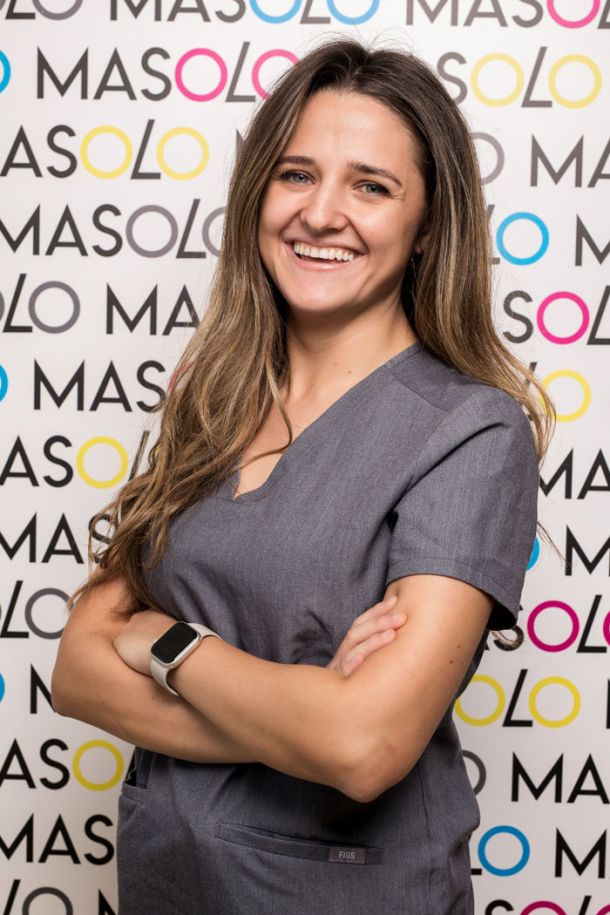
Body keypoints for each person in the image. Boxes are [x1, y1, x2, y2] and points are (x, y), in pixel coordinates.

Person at [52, 37, 556, 914]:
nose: (321, 214)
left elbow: (364, 746)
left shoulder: (471, 431)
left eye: (371, 186)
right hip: (169, 886)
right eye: (296, 175)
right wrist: (306, 712)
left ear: (428, 225)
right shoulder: (211, 400)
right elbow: (78, 669)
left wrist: (168, 643)